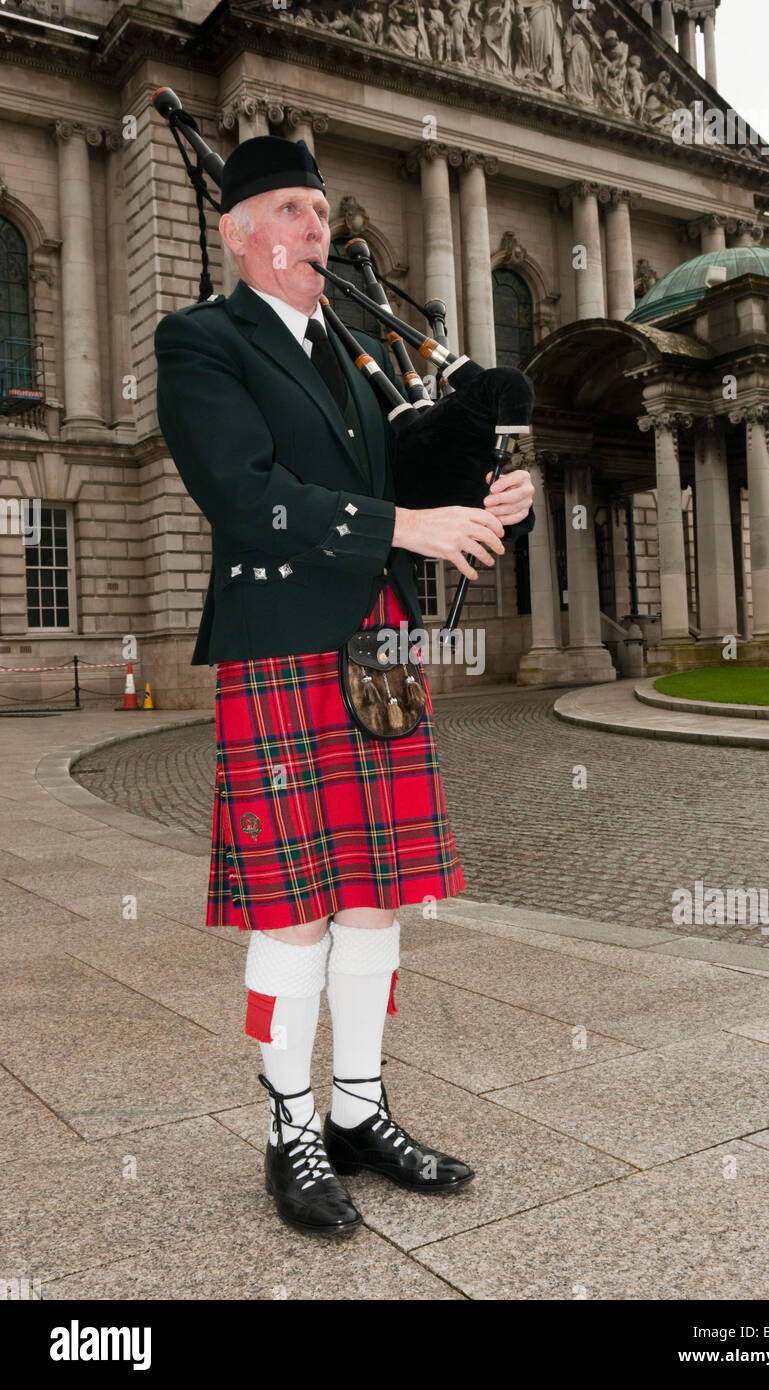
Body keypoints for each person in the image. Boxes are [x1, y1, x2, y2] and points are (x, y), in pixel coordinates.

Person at [154, 135, 535, 1237]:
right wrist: (402, 523)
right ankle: (291, 1125)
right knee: (294, 909)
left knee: (374, 891)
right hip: (278, 639)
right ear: (235, 234)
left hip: (374, 640)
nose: (312, 229)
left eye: (318, 213)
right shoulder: (200, 343)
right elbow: (243, 493)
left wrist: (481, 495)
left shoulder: (357, 357)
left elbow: (400, 474)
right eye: (284, 209)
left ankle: (361, 1110)